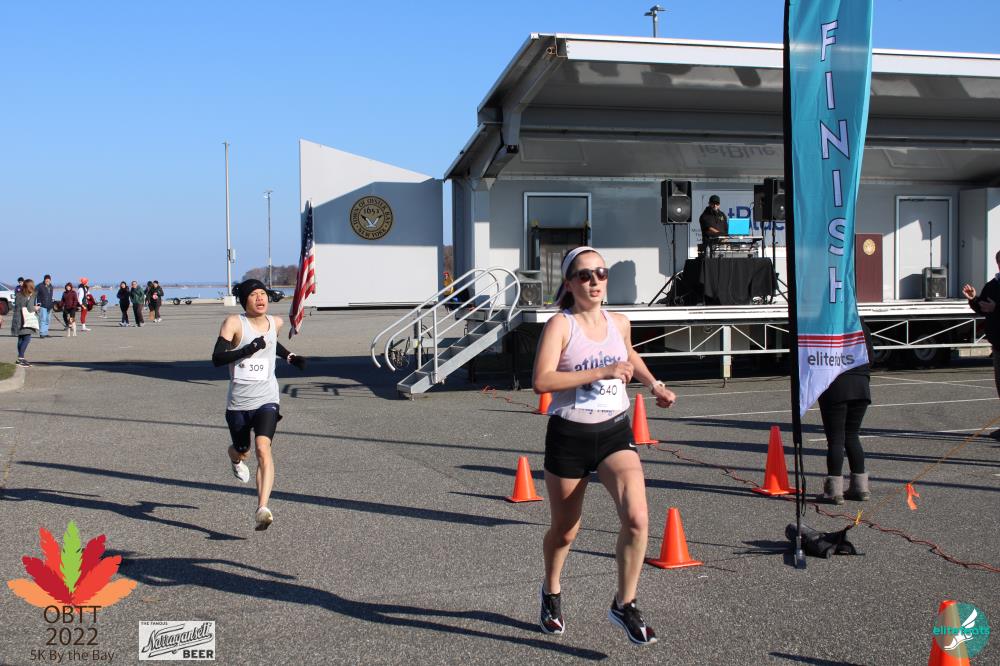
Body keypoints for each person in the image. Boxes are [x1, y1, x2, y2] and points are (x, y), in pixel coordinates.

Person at [532, 246, 676, 646]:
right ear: (569, 283)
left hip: (614, 432)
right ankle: (551, 591)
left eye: (601, 273)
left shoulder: (620, 322)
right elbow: (542, 381)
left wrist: (654, 384)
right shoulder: (560, 325)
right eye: (584, 275)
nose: (594, 281)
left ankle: (625, 603)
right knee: (565, 531)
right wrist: (601, 371)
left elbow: (628, 353)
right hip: (569, 436)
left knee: (637, 518)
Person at [211, 278, 307, 530]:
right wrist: (248, 349)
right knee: (243, 450)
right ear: (245, 300)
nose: (260, 298)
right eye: (253, 295)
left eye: (262, 293)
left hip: (267, 398)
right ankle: (235, 458)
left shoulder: (275, 322)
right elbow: (217, 358)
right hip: (239, 403)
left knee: (263, 449)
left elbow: (271, 343)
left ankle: (262, 508)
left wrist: (290, 356)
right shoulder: (234, 323)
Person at [817, 324, 874, 504]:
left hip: (835, 385)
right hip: (861, 385)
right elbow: (870, 357)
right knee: (852, 435)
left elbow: (817, 357)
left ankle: (834, 491)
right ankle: (860, 488)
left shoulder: (827, 324)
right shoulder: (861, 325)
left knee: (835, 439)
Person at [963, 251, 1000, 403]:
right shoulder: (991, 285)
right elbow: (983, 309)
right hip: (998, 345)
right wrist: (973, 299)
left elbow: (993, 308)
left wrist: (996, 308)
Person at [11, 279, 39, 366]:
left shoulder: (18, 294)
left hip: (17, 319)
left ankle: (20, 359)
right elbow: (30, 308)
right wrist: (36, 308)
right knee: (27, 339)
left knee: (20, 338)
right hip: (25, 320)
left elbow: (16, 306)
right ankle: (21, 358)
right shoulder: (30, 295)